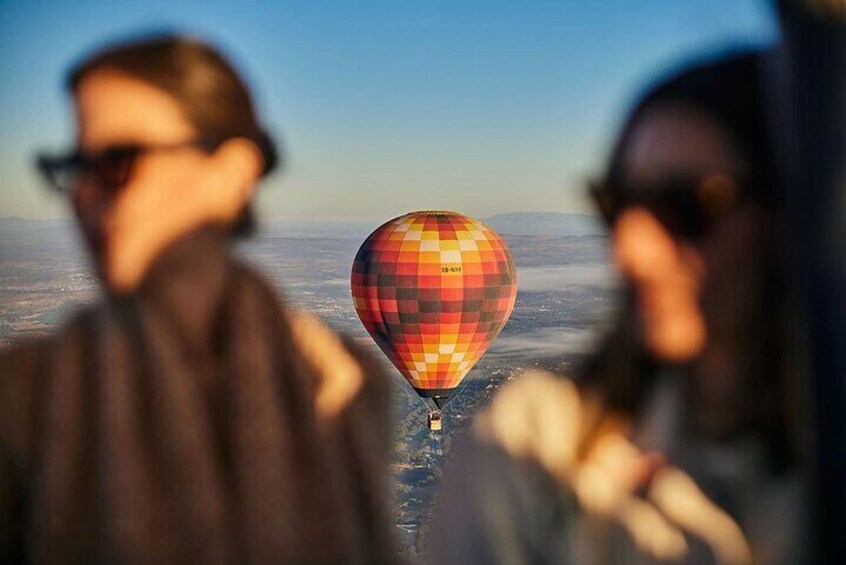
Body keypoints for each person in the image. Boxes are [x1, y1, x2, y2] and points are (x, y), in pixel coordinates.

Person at [0, 34, 396, 563]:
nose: (84, 194)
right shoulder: (25, 397)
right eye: (74, 167)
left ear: (231, 173)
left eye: (118, 161)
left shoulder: (342, 382)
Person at [429, 50, 806, 564]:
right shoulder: (536, 449)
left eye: (686, 207)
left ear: (796, 217)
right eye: (617, 203)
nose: (630, 247)